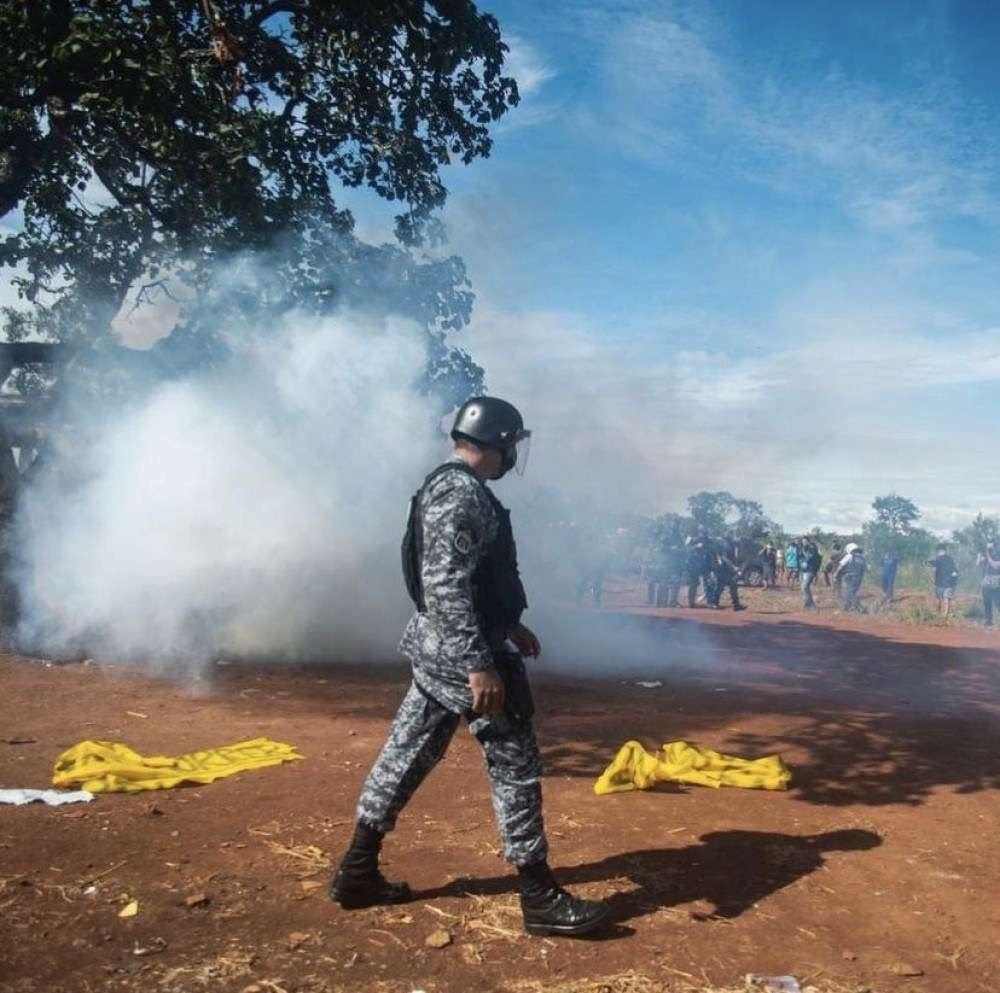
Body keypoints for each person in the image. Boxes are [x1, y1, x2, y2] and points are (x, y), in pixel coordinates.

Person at [331, 397, 609, 937]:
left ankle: (357, 869)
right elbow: (445, 586)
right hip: (462, 657)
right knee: (516, 764)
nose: (511, 457)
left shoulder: (453, 488)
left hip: (443, 652)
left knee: (406, 755)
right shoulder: (459, 493)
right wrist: (481, 665)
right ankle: (537, 895)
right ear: (497, 442)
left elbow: (476, 581)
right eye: (510, 446)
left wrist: (508, 624)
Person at [710, 544, 745, 611]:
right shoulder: (723, 552)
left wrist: (735, 569)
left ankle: (736, 605)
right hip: (722, 573)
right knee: (719, 589)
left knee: (733, 588)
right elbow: (726, 560)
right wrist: (734, 568)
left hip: (729, 573)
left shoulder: (730, 551)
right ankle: (714, 603)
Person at [928, 543, 959, 618]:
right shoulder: (950, 559)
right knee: (947, 599)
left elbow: (934, 570)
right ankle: (946, 615)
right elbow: (955, 572)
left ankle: (938, 615)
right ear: (945, 550)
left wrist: (932, 572)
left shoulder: (937, 559)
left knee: (939, 598)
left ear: (938, 551)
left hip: (940, 583)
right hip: (949, 583)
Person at [836, 542, 867, 612]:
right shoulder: (862, 557)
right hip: (858, 578)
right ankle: (846, 607)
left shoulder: (849, 556)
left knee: (849, 593)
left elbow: (841, 565)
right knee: (852, 592)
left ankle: (860, 608)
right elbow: (865, 569)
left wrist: (836, 574)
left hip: (849, 577)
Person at [978, 542, 1000, 628]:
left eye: (990, 548)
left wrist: (987, 555)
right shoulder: (987, 556)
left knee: (998, 602)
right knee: (987, 602)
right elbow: (978, 564)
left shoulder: (998, 555)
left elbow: (995, 566)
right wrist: (980, 554)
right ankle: (989, 621)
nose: (990, 550)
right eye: (988, 548)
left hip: (997, 581)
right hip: (987, 581)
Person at [800, 538, 821, 609]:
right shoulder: (802, 549)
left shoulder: (812, 548)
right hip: (803, 570)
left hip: (810, 570)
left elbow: (808, 557)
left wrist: (803, 550)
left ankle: (811, 605)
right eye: (803, 541)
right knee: (804, 588)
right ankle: (807, 604)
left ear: (808, 542)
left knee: (805, 587)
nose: (804, 542)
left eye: (805, 541)